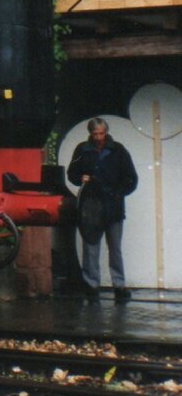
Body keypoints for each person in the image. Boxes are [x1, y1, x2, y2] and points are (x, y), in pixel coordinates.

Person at [67, 117, 137, 300]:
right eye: (95, 134)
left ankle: (119, 286)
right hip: (90, 205)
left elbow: (131, 178)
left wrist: (118, 193)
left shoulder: (118, 150)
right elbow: (71, 174)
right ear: (90, 133)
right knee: (91, 246)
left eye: (101, 133)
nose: (98, 137)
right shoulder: (82, 149)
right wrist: (80, 177)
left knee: (115, 248)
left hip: (113, 205)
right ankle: (91, 286)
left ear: (106, 132)